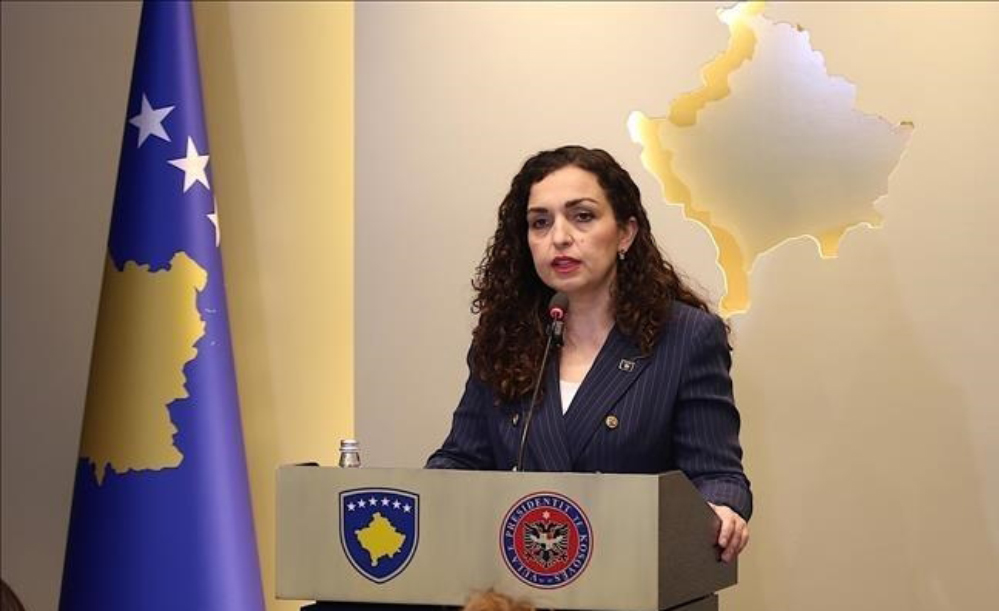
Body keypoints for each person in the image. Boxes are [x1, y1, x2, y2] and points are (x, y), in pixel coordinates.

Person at [426, 145, 751, 563]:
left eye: (582, 216)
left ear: (625, 233)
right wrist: (426, 495)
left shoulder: (686, 337)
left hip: (634, 572)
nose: (559, 237)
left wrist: (719, 509)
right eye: (540, 222)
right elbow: (462, 459)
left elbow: (717, 475)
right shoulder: (503, 338)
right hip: (517, 577)